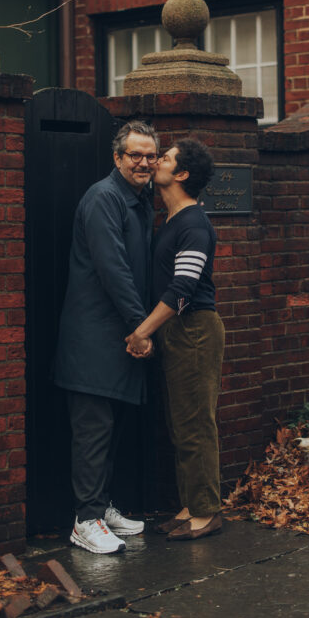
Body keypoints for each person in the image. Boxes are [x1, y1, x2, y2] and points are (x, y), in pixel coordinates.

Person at [53, 120, 158, 554]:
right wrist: (140, 326)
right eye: (135, 155)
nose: (144, 162)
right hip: (94, 337)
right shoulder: (103, 198)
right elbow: (112, 268)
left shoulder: (138, 199)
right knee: (93, 430)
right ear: (117, 158)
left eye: (150, 155)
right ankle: (84, 520)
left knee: (110, 428)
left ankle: (100, 507)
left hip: (117, 336)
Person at [126, 137, 225, 541]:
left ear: (181, 174)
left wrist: (142, 330)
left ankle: (207, 512)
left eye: (163, 158)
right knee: (181, 421)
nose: (154, 162)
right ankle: (192, 504)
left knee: (196, 422)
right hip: (180, 331)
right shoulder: (173, 220)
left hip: (195, 329)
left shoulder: (193, 224)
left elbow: (183, 287)